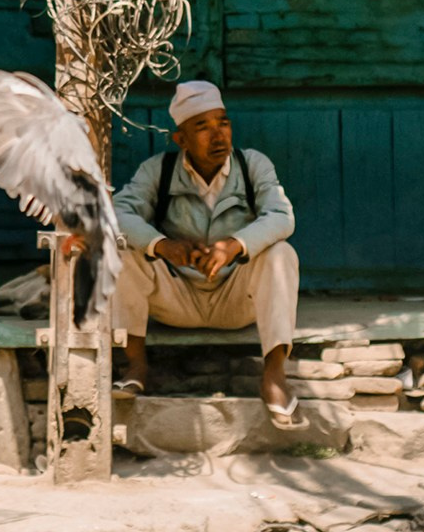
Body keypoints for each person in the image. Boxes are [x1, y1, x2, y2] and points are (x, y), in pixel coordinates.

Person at [112, 80, 303, 423]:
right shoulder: (159, 169)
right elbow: (117, 214)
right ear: (181, 139)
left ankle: (274, 375)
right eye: (202, 126)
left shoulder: (252, 165)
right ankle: (135, 364)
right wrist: (162, 246)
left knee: (281, 253)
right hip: (176, 301)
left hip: (237, 301)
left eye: (223, 122)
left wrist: (234, 246)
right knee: (124, 253)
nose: (218, 135)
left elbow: (282, 216)